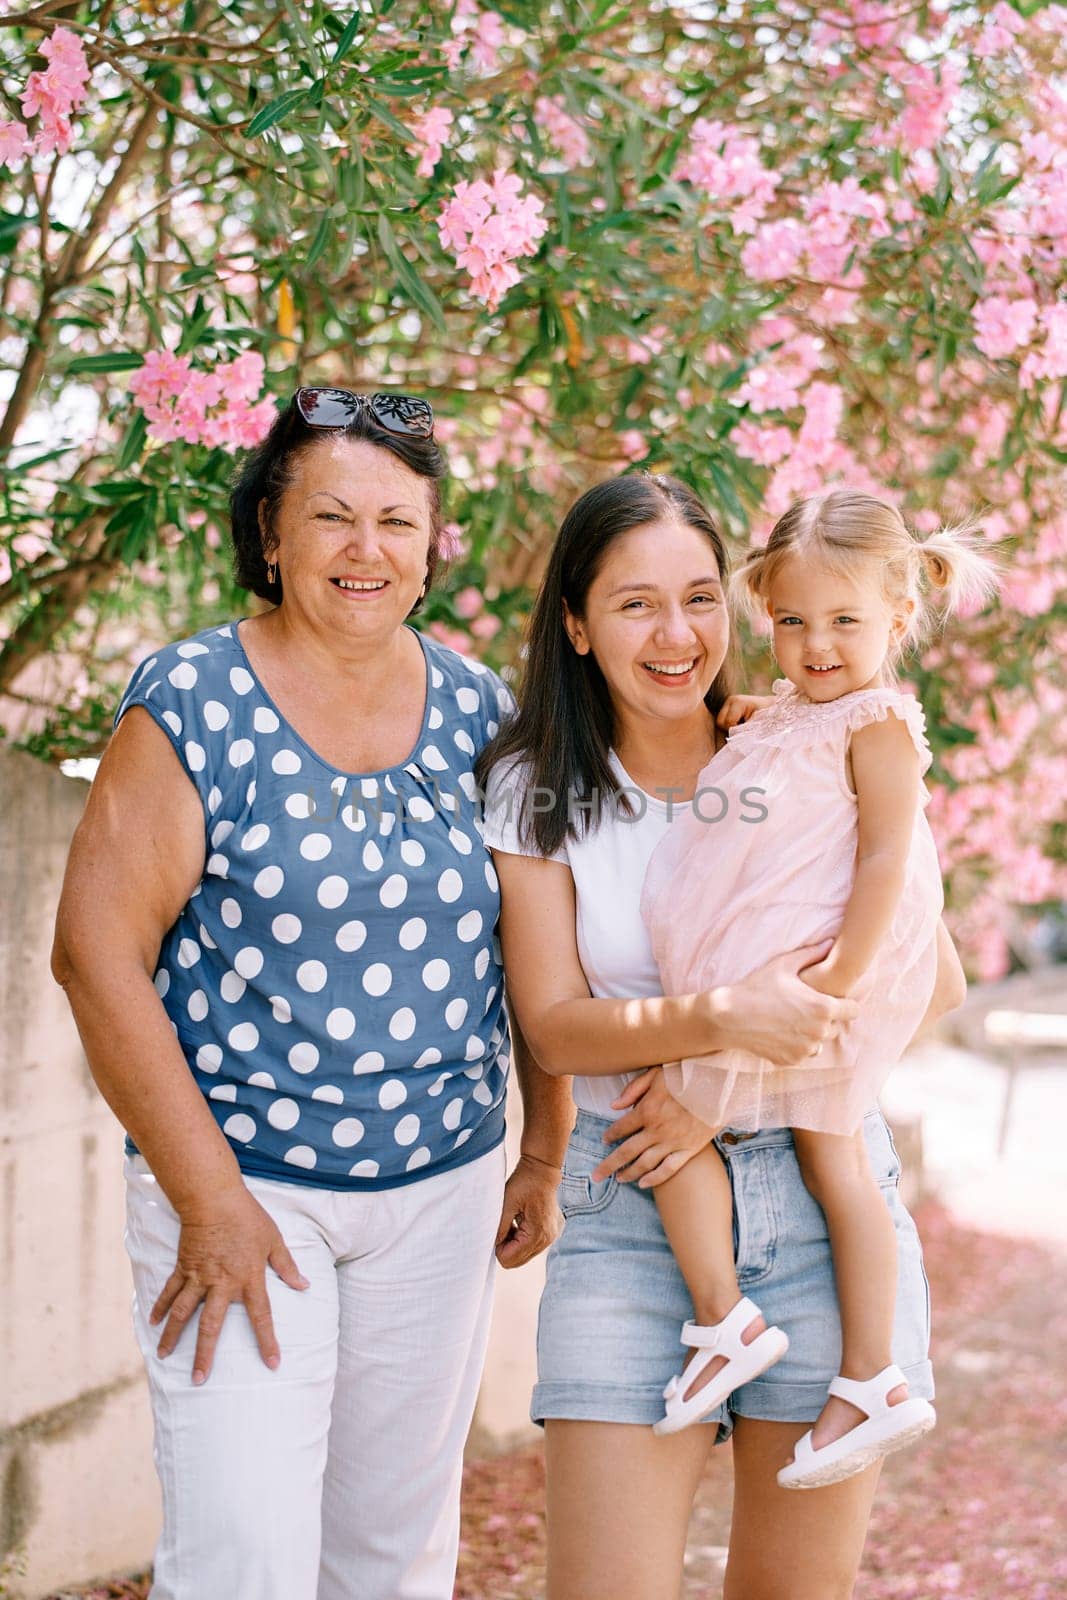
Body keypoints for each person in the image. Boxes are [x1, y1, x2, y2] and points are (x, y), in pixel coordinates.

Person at [50, 385, 572, 1600]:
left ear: (432, 548)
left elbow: (533, 941)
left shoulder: (484, 710)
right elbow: (94, 955)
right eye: (331, 516)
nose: (365, 549)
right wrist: (210, 1199)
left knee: (391, 1563)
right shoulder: (190, 702)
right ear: (270, 537)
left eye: (397, 521)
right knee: (242, 1562)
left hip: (438, 1199)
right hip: (239, 1198)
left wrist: (542, 1152)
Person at [478, 472, 967, 1600]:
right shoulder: (538, 788)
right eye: (634, 603)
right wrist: (711, 1028)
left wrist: (721, 1083)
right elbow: (551, 1027)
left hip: (814, 1206)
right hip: (627, 1210)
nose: (675, 633)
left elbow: (924, 978)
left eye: (699, 598)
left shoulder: (800, 750)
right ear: (574, 621)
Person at [640, 488, 997, 1486]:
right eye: (791, 621)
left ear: (897, 615)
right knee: (679, 1125)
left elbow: (886, 858)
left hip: (823, 981)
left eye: (842, 620)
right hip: (782, 982)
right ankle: (726, 1318)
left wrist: (837, 975)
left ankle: (868, 1373)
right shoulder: (800, 710)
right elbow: (788, 774)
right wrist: (767, 717)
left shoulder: (878, 725)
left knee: (834, 1167)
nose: (815, 643)